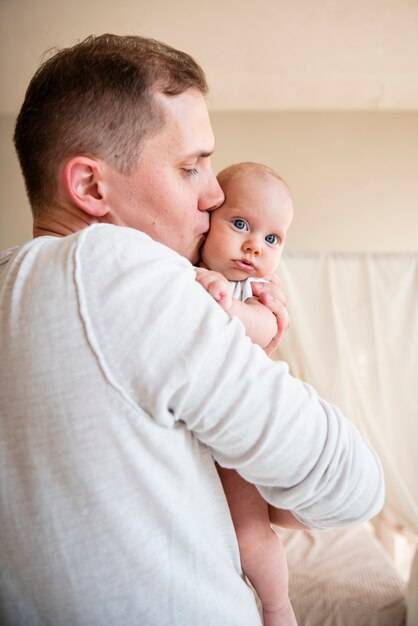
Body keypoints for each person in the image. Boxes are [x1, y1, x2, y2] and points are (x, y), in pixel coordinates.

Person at [0, 34, 384, 626]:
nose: (213, 194)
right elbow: (350, 485)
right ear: (91, 187)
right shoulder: (120, 266)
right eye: (190, 167)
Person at [196, 162, 297, 626]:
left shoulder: (255, 289)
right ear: (207, 222)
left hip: (236, 432)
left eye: (273, 239)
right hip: (195, 433)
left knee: (249, 532)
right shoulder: (183, 269)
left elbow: (264, 326)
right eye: (240, 224)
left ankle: (277, 606)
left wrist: (228, 305)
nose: (256, 245)